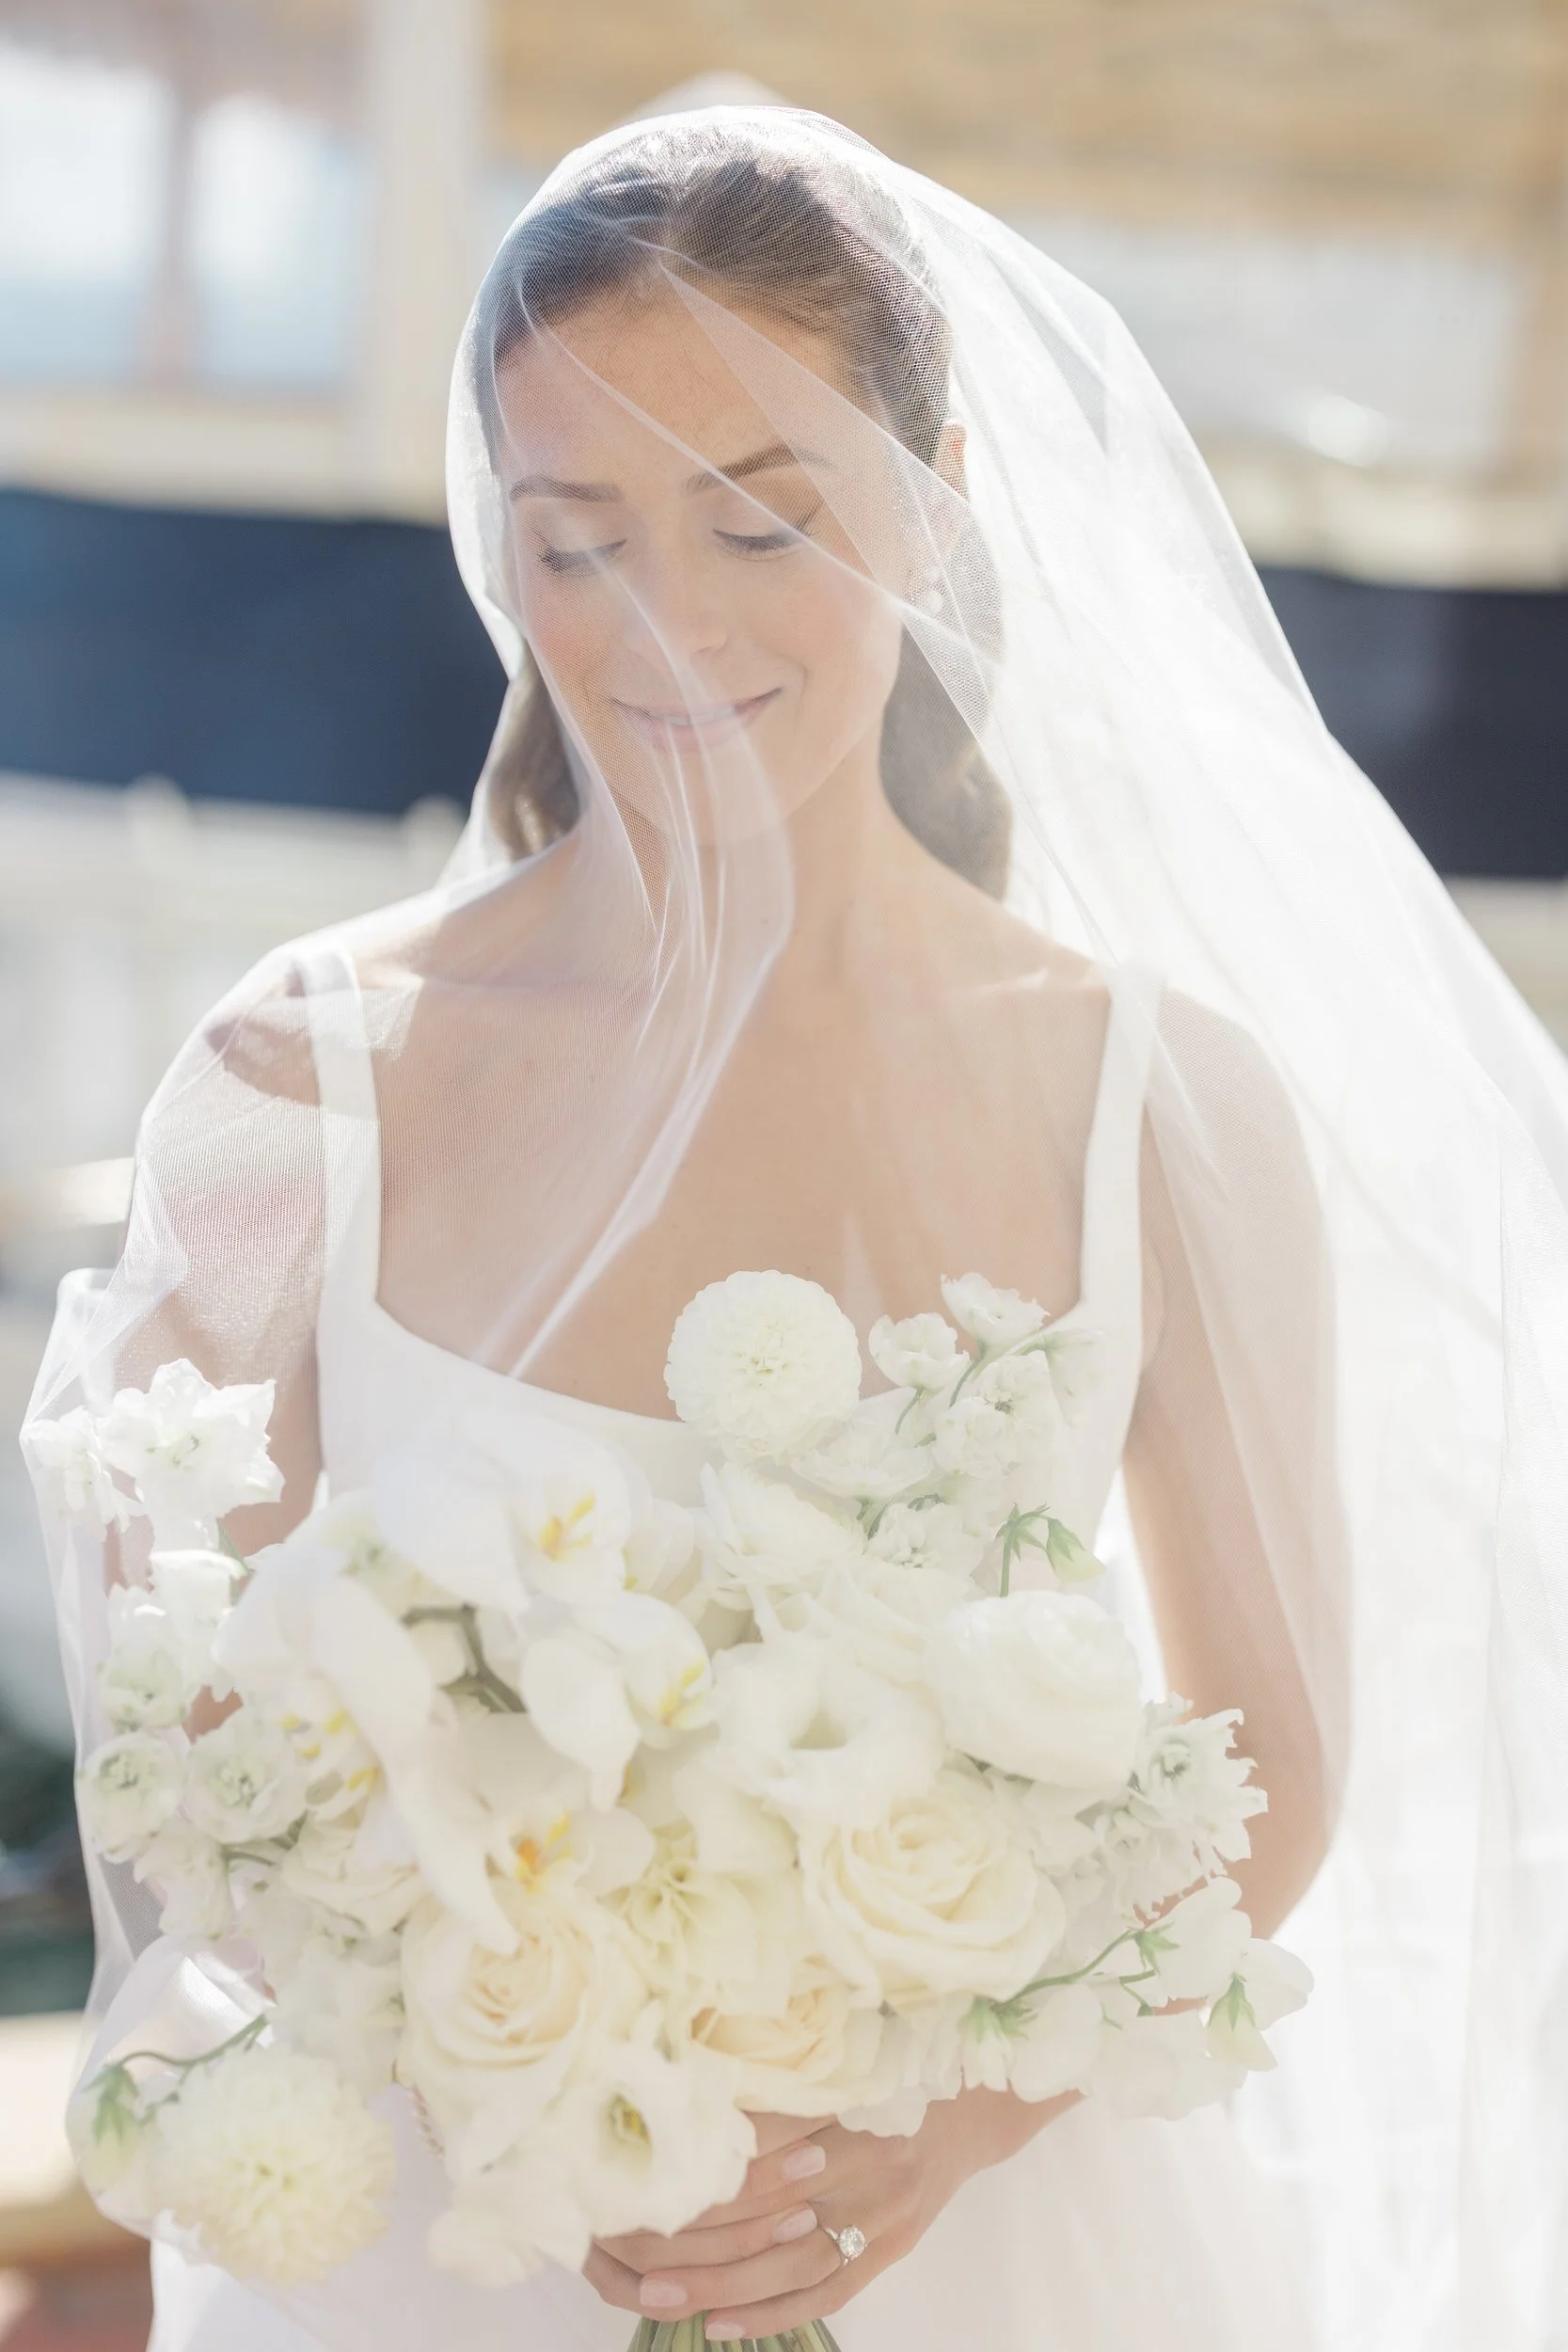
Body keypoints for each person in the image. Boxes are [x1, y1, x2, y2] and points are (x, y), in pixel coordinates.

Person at [27, 107, 1568, 2352]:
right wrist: (490, 2058)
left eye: (758, 519)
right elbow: (182, 1737)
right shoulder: (304, 1084)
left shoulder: (1153, 1105)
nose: (663, 628)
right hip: (444, 2252)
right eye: (578, 543)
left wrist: (937, 2134)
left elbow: (1269, 1754)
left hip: (996, 2252)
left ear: (931, 495)